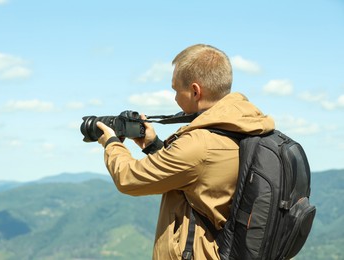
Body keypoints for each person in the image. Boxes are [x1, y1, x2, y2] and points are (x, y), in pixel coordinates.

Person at [96, 44, 275, 260]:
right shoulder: (246, 127)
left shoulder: (200, 144)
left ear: (195, 91)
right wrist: (153, 146)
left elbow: (128, 178)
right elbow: (201, 176)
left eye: (175, 90)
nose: (174, 98)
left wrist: (111, 143)